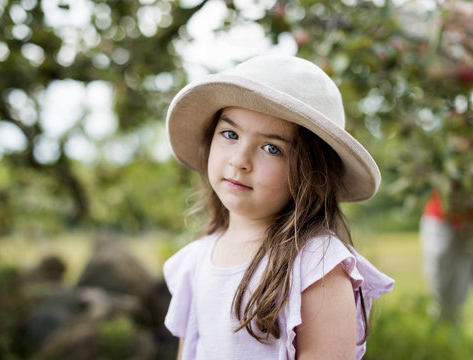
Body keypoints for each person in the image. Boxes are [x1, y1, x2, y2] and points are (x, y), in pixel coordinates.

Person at [162, 55, 394, 360]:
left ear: (311, 174)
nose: (240, 160)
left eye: (271, 148)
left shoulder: (317, 265)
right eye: (230, 134)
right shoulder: (193, 262)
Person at [420, 189, 473, 321]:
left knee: (459, 288)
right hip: (442, 220)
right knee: (441, 289)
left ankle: (451, 327)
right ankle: (440, 329)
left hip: (466, 224)